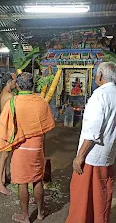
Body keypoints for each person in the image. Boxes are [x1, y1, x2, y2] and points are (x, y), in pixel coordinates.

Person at [0, 72, 55, 222]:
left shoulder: (13, 102)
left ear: (17, 85)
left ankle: (25, 216)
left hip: (21, 148)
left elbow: (4, 127)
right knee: (37, 180)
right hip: (37, 147)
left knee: (22, 182)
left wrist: (5, 144)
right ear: (33, 85)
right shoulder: (41, 101)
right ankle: (41, 213)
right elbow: (46, 126)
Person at [66, 62, 116, 223]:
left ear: (100, 76)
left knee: (82, 198)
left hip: (92, 157)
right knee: (102, 195)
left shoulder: (99, 95)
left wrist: (80, 156)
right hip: (108, 155)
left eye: (96, 73)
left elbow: (93, 131)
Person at [0, 72, 17, 196]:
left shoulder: (4, 92)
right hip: (6, 127)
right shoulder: (9, 95)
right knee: (4, 155)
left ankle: (3, 179)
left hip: (4, 126)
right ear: (9, 82)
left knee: (5, 155)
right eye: (14, 81)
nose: (16, 83)